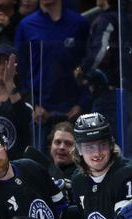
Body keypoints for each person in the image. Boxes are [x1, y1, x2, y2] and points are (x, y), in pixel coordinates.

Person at [15, 0, 90, 132]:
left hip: (74, 112)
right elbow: (20, 72)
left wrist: (82, 104)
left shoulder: (80, 24)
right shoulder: (26, 26)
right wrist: (32, 105)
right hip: (39, 114)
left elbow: (88, 67)